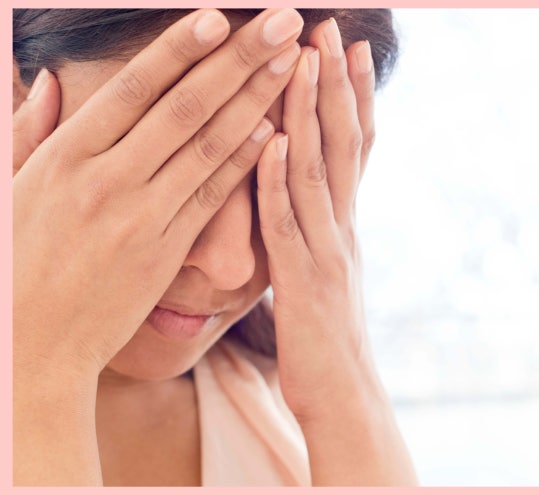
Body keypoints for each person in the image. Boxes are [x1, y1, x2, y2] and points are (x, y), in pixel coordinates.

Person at [12, 8, 417, 486]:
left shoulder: (290, 416)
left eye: (281, 182)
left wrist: (345, 392)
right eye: (162, 166)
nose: (230, 266)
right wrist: (33, 367)